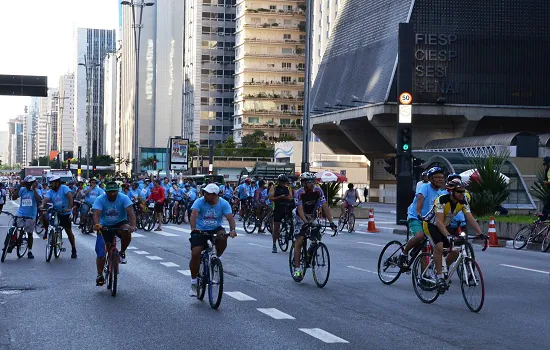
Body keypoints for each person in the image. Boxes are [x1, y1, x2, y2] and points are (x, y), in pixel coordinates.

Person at [423, 178, 484, 292]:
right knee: (439, 247)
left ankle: (440, 267)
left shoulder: (463, 200)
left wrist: (480, 233)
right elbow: (439, 222)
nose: (462, 194)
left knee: (455, 251)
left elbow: (469, 217)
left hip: (443, 226)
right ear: (451, 192)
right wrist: (449, 236)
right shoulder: (441, 200)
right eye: (459, 192)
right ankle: (439, 276)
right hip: (431, 225)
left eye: (463, 191)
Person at [189, 183, 237, 296]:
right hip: (200, 230)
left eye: (208, 193)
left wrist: (233, 230)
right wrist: (193, 228)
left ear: (215, 195)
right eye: (204, 192)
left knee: (223, 236)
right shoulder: (199, 201)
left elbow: (230, 218)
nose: (204, 195)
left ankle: (215, 259)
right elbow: (194, 215)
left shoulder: (223, 203)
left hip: (215, 229)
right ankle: (194, 283)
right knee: (195, 253)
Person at [292, 173, 337, 279]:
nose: (312, 184)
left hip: (312, 215)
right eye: (309, 182)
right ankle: (297, 269)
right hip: (300, 216)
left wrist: (331, 222)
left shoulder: (318, 191)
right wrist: (305, 221)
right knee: (300, 240)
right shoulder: (299, 193)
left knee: (317, 235)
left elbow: (325, 206)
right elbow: (300, 209)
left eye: (313, 181)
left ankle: (310, 252)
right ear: (303, 183)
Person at [399, 167, 446, 268]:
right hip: (416, 217)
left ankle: (423, 277)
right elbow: (420, 199)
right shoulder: (425, 187)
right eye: (437, 177)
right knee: (420, 236)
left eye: (441, 177)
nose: (440, 179)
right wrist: (418, 213)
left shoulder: (441, 192)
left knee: (426, 248)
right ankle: (404, 253)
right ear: (431, 179)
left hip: (428, 220)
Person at [92, 181, 137, 286]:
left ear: (118, 191)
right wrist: (97, 224)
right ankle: (99, 274)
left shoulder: (123, 198)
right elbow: (96, 214)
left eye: (114, 192)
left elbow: (131, 213)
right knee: (101, 251)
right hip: (104, 225)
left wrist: (132, 226)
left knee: (127, 231)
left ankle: (122, 252)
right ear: (106, 192)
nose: (113, 194)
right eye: (110, 192)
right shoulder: (100, 199)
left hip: (120, 222)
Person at [42, 175, 78, 259]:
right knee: (44, 216)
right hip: (56, 212)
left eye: (52, 183)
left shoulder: (64, 188)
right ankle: (48, 231)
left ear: (57, 183)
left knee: (68, 231)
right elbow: (46, 199)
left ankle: (73, 248)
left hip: (65, 213)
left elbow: (70, 197)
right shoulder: (51, 191)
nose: (50, 185)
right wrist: (42, 205)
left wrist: (69, 207)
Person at [11, 176, 42, 259]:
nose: (28, 186)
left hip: (31, 215)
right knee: (13, 227)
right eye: (26, 184)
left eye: (29, 185)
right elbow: (13, 198)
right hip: (20, 213)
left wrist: (34, 189)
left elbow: (39, 199)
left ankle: (29, 251)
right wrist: (20, 186)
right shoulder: (22, 189)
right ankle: (11, 242)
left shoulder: (37, 190)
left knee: (29, 233)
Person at [269, 174, 294, 253]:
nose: (283, 184)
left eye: (285, 182)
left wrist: (287, 198)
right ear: (279, 182)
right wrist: (280, 197)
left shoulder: (288, 188)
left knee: (292, 223)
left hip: (287, 208)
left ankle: (289, 235)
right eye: (282, 182)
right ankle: (274, 244)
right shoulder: (274, 187)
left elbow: (291, 197)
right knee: (276, 228)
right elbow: (271, 198)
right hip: (278, 208)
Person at [542, 156, 550, 221]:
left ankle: (544, 217)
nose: (547, 165)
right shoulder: (547, 169)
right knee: (547, 203)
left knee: (548, 203)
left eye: (547, 164)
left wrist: (548, 183)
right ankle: (543, 217)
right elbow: (545, 178)